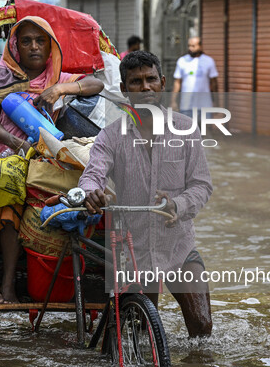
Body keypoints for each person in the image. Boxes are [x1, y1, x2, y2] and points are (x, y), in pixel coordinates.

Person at [0, 16, 104, 304]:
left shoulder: (56, 78)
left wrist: (62, 89)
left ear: (50, 45)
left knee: (16, 203)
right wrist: (15, 142)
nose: (34, 47)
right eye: (26, 41)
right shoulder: (1, 75)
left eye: (41, 41)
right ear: (15, 45)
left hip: (39, 154)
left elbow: (95, 85)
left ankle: (8, 285)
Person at [79, 51, 213, 337]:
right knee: (140, 332)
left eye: (151, 79)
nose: (146, 88)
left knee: (202, 326)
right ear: (125, 90)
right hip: (134, 252)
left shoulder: (186, 130)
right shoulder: (111, 136)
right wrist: (91, 193)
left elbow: (202, 185)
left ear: (162, 83)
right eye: (136, 82)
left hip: (178, 247)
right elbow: (93, 172)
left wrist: (178, 204)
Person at [170, 37, 219, 118]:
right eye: (189, 46)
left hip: (205, 105)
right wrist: (173, 101)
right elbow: (177, 82)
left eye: (193, 46)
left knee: (205, 129)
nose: (190, 48)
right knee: (186, 129)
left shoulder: (209, 61)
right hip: (186, 106)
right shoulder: (182, 61)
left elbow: (214, 83)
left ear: (200, 46)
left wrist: (216, 102)